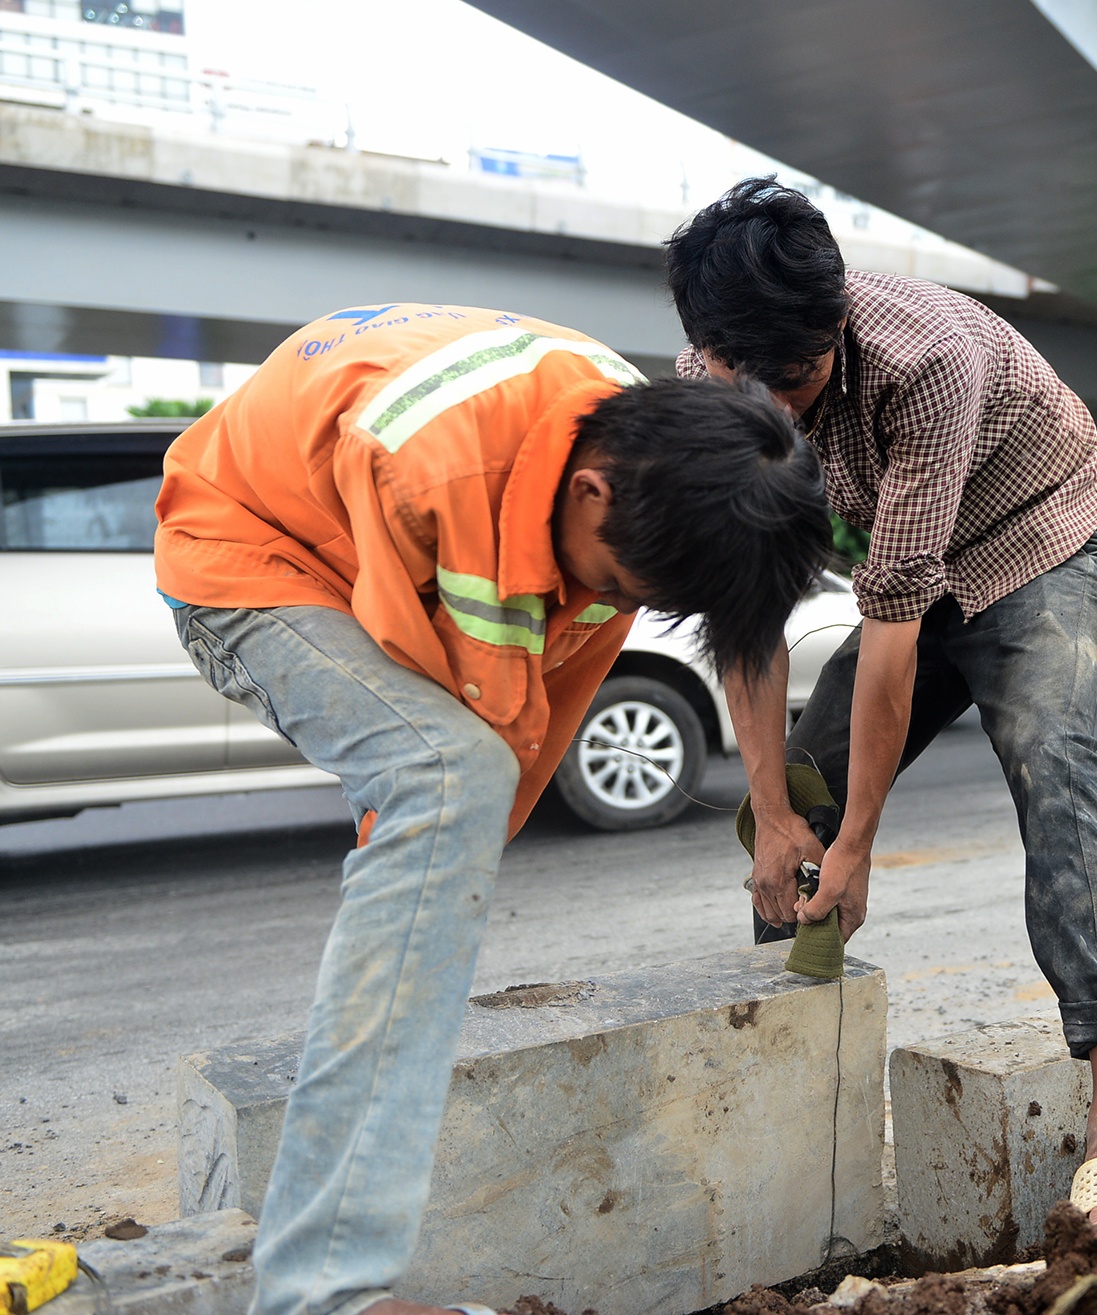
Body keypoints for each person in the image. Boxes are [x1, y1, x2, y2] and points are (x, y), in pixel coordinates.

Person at [154, 303, 832, 1315]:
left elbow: (529, 720)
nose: (615, 602)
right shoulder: (435, 468)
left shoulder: (643, 467)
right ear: (593, 492)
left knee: (454, 805)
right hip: (248, 548)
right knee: (444, 781)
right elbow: (453, 751)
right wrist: (431, 855)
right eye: (618, 582)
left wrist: (447, 874)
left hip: (378, 511)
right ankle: (322, 1292)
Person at [666, 179, 1097, 1239]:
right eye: (748, 385)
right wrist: (779, 813)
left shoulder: (925, 358)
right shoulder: (714, 374)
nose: (777, 411)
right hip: (918, 570)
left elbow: (894, 629)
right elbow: (747, 610)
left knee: (1048, 748)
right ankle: (796, 1061)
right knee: (803, 777)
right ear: (710, 353)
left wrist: (860, 844)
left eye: (797, 381)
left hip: (1040, 540)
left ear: (833, 325)